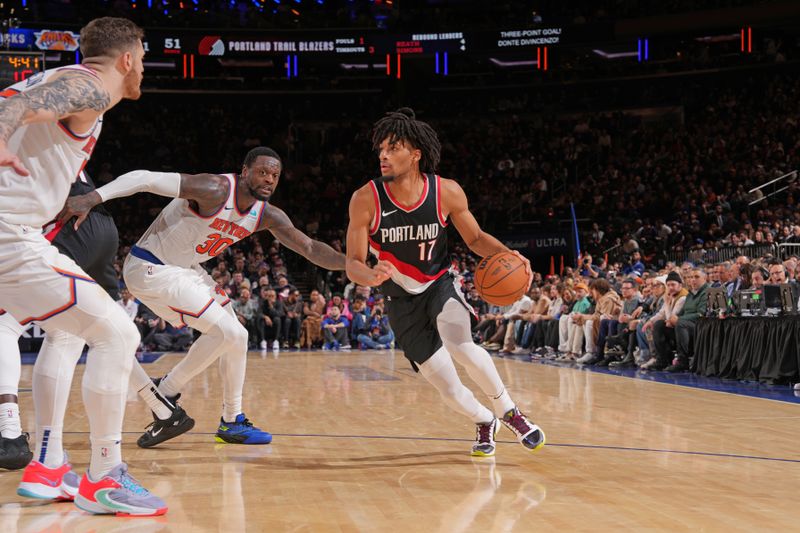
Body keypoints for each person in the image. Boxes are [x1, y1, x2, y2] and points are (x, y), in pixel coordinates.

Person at [60, 146, 346, 447]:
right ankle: (168, 392)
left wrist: (352, 264)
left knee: (238, 338)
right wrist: (92, 198)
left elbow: (311, 249)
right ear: (245, 171)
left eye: (275, 175)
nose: (269, 179)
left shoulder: (268, 215)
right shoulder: (216, 189)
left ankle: (227, 418)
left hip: (185, 270)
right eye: (262, 172)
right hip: (150, 266)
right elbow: (145, 178)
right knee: (229, 331)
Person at [0, 17, 167, 515]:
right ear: (128, 58)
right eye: (143, 56)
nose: (144, 67)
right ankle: (104, 476)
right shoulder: (88, 86)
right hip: (9, 234)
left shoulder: (69, 86)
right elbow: (12, 104)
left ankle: (49, 466)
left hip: (21, 232)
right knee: (118, 334)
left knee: (69, 332)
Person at [345, 108, 545, 457]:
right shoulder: (366, 198)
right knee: (448, 389)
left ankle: (510, 412)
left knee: (461, 344)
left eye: (393, 147)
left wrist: (509, 254)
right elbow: (353, 263)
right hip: (398, 297)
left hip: (439, 283)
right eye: (381, 149)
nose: (383, 154)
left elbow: (477, 239)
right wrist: (369, 275)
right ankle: (485, 421)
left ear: (416, 154)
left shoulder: (446, 192)